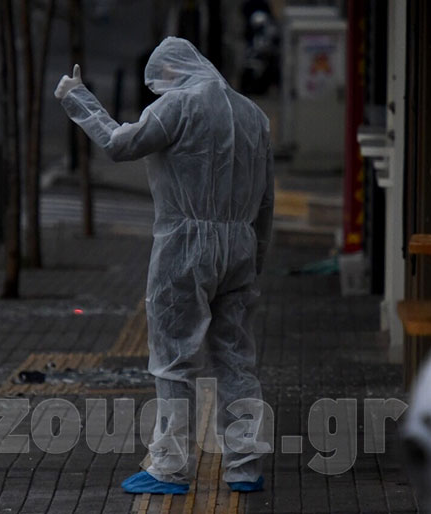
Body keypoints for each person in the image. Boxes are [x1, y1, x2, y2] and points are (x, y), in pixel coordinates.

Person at [55, 37, 274, 494]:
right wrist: (255, 260)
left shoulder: (178, 107)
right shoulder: (254, 115)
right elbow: (266, 201)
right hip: (240, 245)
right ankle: (245, 465)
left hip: (185, 248)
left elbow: (119, 144)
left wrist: (78, 98)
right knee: (237, 358)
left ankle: (171, 467)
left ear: (171, 74)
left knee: (174, 359)